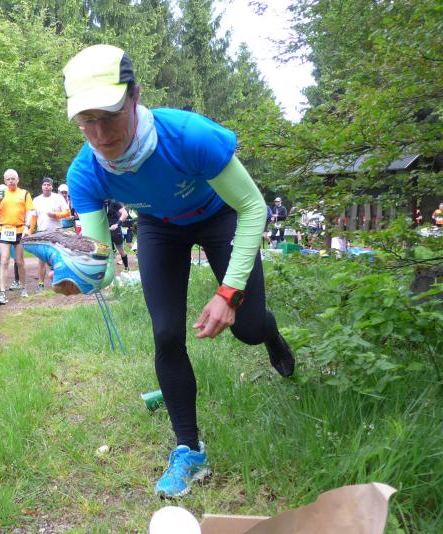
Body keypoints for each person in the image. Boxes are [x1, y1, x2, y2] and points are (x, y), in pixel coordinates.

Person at [60, 45, 295, 498]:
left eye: (109, 115)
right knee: (166, 333)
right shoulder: (85, 173)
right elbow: (102, 267)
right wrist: (78, 275)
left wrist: (227, 294)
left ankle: (268, 332)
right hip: (159, 228)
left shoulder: (189, 136)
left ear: (135, 97)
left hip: (221, 215)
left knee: (247, 328)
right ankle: (189, 450)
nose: (99, 133)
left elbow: (253, 208)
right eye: (86, 120)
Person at [0, 169, 34, 304]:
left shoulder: (24, 193)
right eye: (8, 179)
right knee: (4, 260)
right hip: (4, 229)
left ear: (18, 180)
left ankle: (23, 288)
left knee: (20, 261)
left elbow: (30, 211)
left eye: (13, 178)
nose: (11, 181)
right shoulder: (1, 194)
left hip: (20, 229)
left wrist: (27, 227)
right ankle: (2, 293)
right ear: (4, 181)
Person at [33, 177, 70, 290]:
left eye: (48, 185)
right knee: (41, 259)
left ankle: (59, 281)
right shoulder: (36, 200)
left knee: (57, 257)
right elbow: (33, 217)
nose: (46, 187)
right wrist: (30, 231)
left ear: (52, 187)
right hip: (42, 232)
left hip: (56, 231)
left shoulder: (58, 198)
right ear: (42, 186)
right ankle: (40, 284)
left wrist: (56, 215)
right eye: (44, 185)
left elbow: (67, 213)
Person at [105, 200, 130, 271]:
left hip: (115, 230)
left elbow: (125, 214)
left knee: (121, 251)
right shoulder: (98, 203)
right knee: (105, 250)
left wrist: (117, 224)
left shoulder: (114, 203)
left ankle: (126, 268)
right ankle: (107, 271)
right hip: (104, 230)